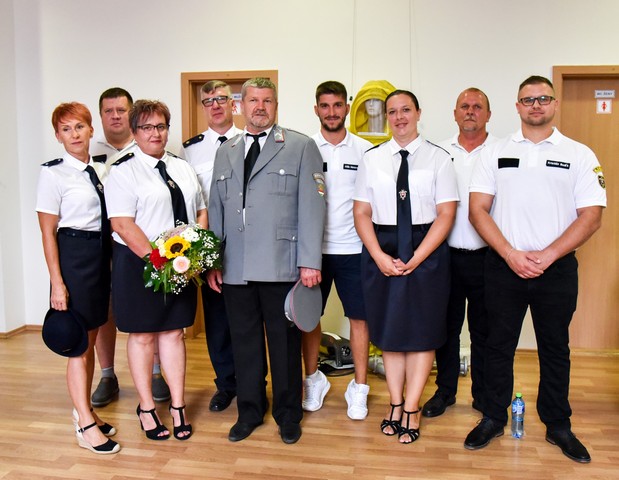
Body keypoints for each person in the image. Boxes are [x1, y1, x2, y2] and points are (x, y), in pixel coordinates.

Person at [464, 76, 606, 463]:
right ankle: (493, 417)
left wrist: (549, 254)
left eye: (543, 98)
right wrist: (511, 253)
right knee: (497, 346)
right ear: (517, 107)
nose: (536, 105)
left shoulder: (579, 154)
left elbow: (591, 216)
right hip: (503, 266)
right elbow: (478, 209)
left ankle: (558, 424)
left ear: (555, 104)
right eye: (528, 99)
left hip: (556, 270)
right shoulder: (495, 152)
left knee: (555, 348)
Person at [207, 77, 325, 444]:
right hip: (236, 265)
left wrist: (310, 261)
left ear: (276, 105)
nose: (260, 107)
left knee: (284, 345)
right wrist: (213, 260)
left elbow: (313, 206)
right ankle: (249, 411)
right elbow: (216, 208)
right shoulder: (226, 151)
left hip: (281, 263)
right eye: (253, 100)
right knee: (244, 343)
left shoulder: (300, 146)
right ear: (240, 105)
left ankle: (288, 415)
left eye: (267, 101)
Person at [353, 89, 458, 444]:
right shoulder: (372, 159)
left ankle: (412, 407)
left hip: (426, 249)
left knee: (422, 332)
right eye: (392, 111)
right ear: (386, 117)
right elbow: (361, 212)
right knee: (390, 332)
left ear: (418, 113)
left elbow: (446, 214)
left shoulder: (439, 158)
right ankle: (395, 403)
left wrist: (417, 257)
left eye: (406, 110)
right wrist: (378, 256)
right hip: (381, 248)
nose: (399, 117)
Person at [105, 100, 206, 441]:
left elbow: (200, 209)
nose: (155, 133)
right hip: (140, 263)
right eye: (147, 127)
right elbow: (122, 224)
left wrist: (194, 253)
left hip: (180, 263)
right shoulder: (123, 170)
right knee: (144, 335)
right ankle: (147, 407)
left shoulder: (182, 167)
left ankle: (178, 405)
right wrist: (159, 261)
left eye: (161, 126)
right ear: (134, 132)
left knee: (174, 333)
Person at [36, 102, 120, 454]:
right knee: (79, 345)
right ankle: (85, 425)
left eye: (80, 127)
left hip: (100, 257)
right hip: (74, 259)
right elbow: (47, 232)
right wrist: (57, 282)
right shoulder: (53, 174)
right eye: (66, 129)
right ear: (58, 136)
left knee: (93, 335)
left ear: (90, 130)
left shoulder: (102, 170)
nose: (74, 134)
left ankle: (85, 411)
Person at [89, 87, 171, 408]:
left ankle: (156, 371)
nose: (115, 116)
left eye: (121, 110)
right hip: (101, 241)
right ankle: (107, 375)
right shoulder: (89, 150)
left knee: (151, 303)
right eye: (108, 111)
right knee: (105, 308)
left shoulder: (149, 147)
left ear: (131, 115)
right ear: (101, 116)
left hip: (137, 239)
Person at [422, 88, 496, 418]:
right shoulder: (439, 153)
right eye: (464, 106)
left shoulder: (500, 151)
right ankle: (445, 391)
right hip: (447, 256)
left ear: (488, 114)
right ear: (455, 114)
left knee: (484, 330)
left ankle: (483, 394)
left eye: (477, 107)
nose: (470, 111)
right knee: (446, 328)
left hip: (487, 257)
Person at [301, 81, 373, 420]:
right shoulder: (304, 148)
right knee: (308, 319)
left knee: (359, 319)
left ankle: (359, 388)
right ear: (316, 109)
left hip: (354, 250)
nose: (332, 112)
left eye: (337, 105)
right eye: (325, 106)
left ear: (347, 107)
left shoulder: (365, 151)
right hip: (313, 252)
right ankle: (313, 379)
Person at [180, 80, 241, 412]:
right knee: (217, 323)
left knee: (247, 320)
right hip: (210, 245)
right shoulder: (190, 151)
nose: (215, 105)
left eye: (221, 99)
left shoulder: (250, 141)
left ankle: (252, 384)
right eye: (208, 101)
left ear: (233, 103)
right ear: (203, 107)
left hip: (246, 245)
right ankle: (226, 385)